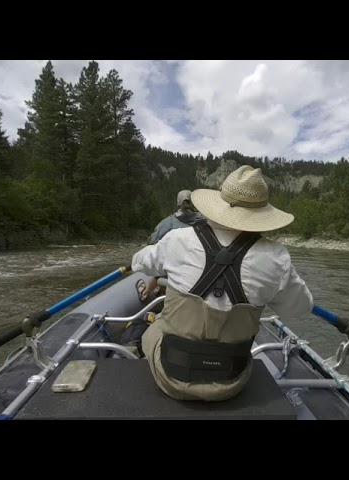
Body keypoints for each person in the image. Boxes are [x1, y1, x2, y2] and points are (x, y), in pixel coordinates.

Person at [130, 165, 314, 402]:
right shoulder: (277, 257)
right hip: (232, 382)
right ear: (262, 213)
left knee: (153, 328)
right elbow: (300, 308)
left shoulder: (178, 239)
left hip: (171, 377)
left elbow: (140, 263)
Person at [138, 190, 206, 302]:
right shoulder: (204, 221)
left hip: (175, 264)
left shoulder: (169, 222)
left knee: (158, 270)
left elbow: (153, 240)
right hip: (197, 264)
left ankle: (146, 293)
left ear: (178, 203)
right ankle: (160, 288)